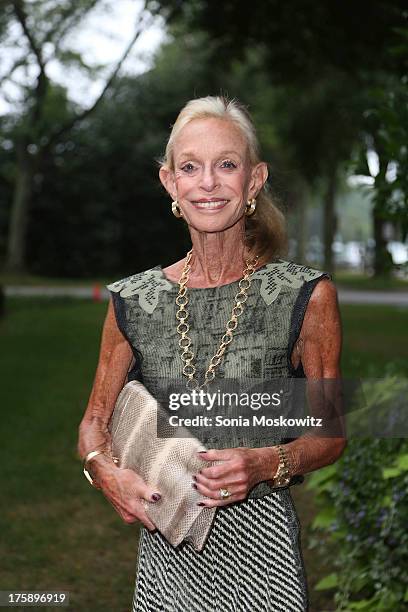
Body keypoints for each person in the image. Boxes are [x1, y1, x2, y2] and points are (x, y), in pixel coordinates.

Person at [78, 95, 346, 612]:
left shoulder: (306, 296)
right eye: (190, 167)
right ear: (170, 182)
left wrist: (268, 461)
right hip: (167, 544)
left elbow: (330, 433)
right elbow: (94, 420)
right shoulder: (132, 301)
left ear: (254, 180)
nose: (208, 182)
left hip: (264, 552)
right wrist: (105, 473)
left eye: (226, 165)